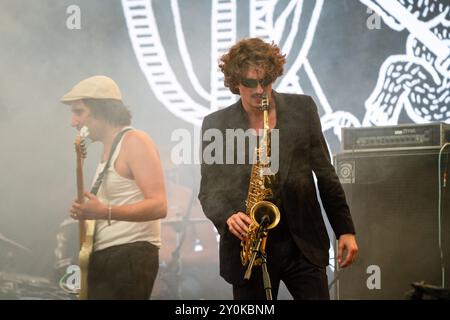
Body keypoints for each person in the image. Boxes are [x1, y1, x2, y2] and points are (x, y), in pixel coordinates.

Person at [198, 38, 358, 300]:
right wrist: (228, 216)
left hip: (302, 243)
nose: (260, 90)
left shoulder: (302, 108)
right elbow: (209, 191)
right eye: (250, 83)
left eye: (266, 81)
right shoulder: (216, 124)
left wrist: (345, 229)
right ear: (235, 83)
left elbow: (325, 173)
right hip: (249, 248)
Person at [60, 75, 167, 299]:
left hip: (130, 255)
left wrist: (104, 211)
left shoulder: (135, 141)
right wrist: (87, 212)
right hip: (106, 255)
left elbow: (159, 205)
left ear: (102, 110)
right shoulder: (109, 149)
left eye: (79, 112)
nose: (73, 122)